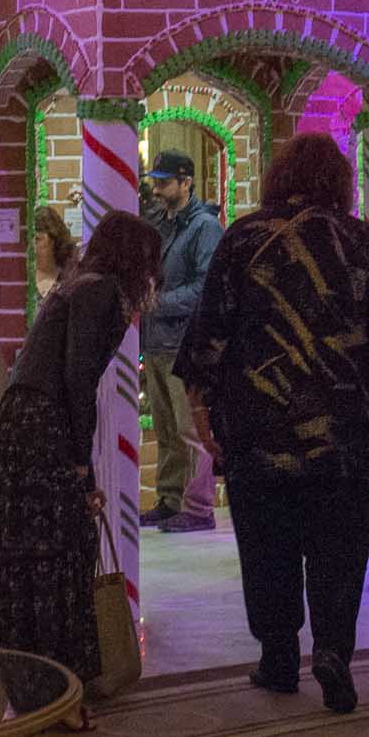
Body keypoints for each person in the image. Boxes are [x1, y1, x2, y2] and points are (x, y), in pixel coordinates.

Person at [177, 134, 369, 715]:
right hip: (344, 433)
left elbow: (207, 339)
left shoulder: (242, 238)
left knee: (267, 546)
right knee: (340, 545)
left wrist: (204, 418)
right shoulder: (359, 240)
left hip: (260, 432)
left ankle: (279, 657)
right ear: (338, 182)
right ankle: (334, 649)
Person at [0, 209, 163, 729]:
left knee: (27, 555)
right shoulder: (101, 291)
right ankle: (59, 696)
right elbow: (78, 379)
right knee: (59, 555)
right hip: (44, 422)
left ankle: (27, 687)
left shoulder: (78, 284)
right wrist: (81, 463)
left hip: (23, 417)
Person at [139, 153, 223, 533]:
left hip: (185, 344)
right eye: (155, 181)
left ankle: (197, 505)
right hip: (158, 341)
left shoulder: (204, 227)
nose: (157, 188)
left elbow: (208, 286)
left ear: (186, 182)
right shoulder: (165, 223)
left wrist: (159, 303)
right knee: (167, 429)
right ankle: (171, 499)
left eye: (164, 182)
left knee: (191, 429)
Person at [29, 204, 78, 301]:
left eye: (37, 239)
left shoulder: (70, 276)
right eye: (28, 239)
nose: (31, 246)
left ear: (54, 240)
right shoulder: (24, 278)